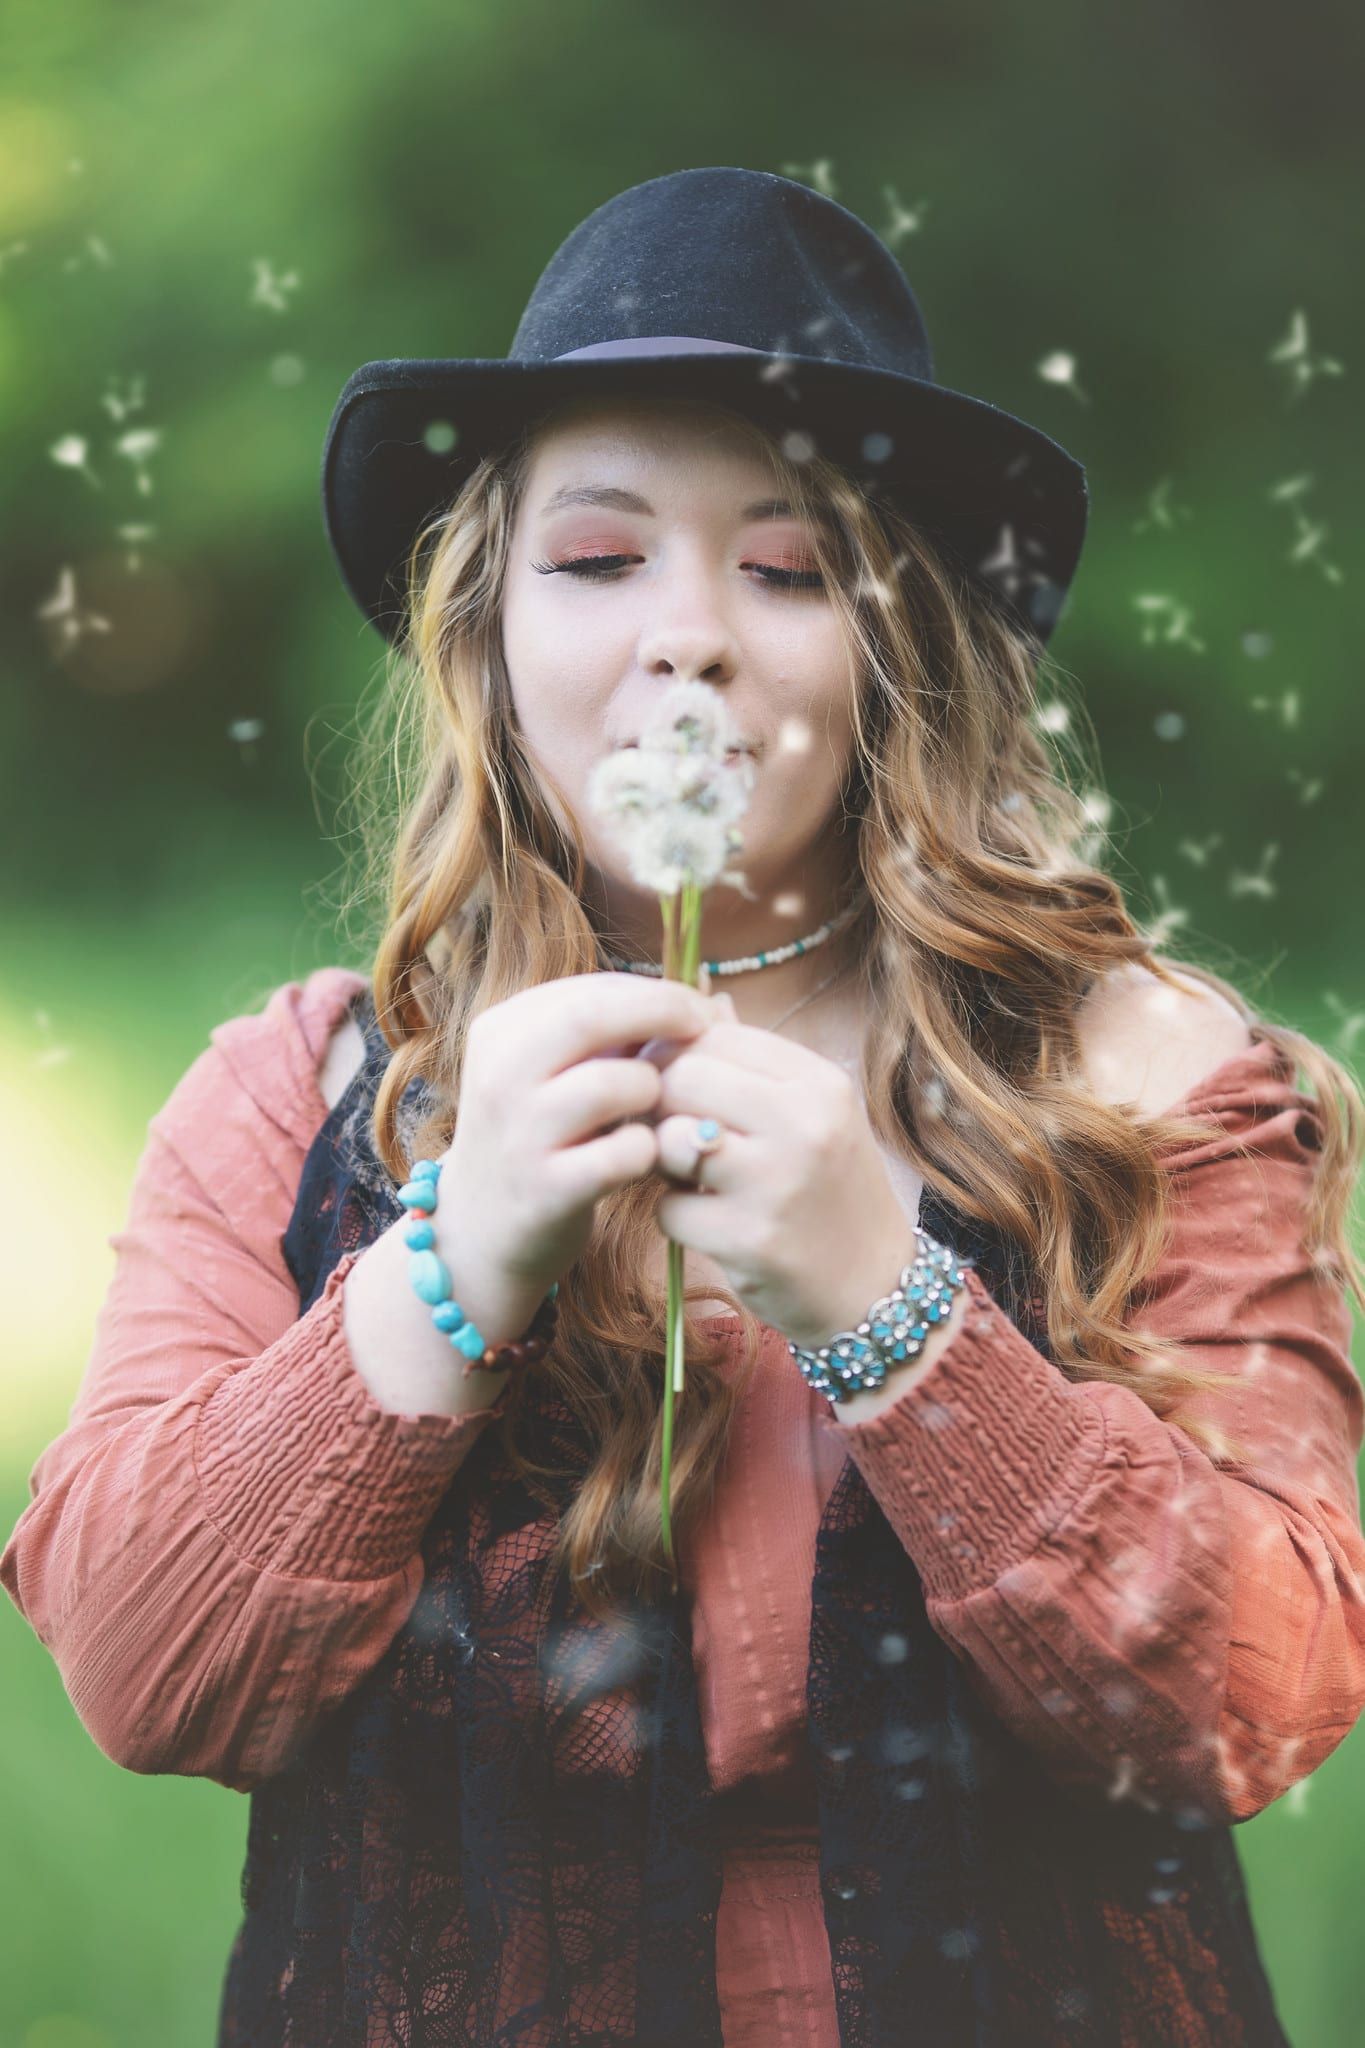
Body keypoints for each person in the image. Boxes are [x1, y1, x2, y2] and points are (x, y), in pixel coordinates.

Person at [5, 167, 1365, 2046]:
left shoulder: (1138, 1079)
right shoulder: (301, 1093)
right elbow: (148, 1676)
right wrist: (453, 1258)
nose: (691, 637)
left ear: (910, 653)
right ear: (484, 632)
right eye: (596, 557)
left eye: (793, 567)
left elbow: (1249, 1701)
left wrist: (890, 1307)